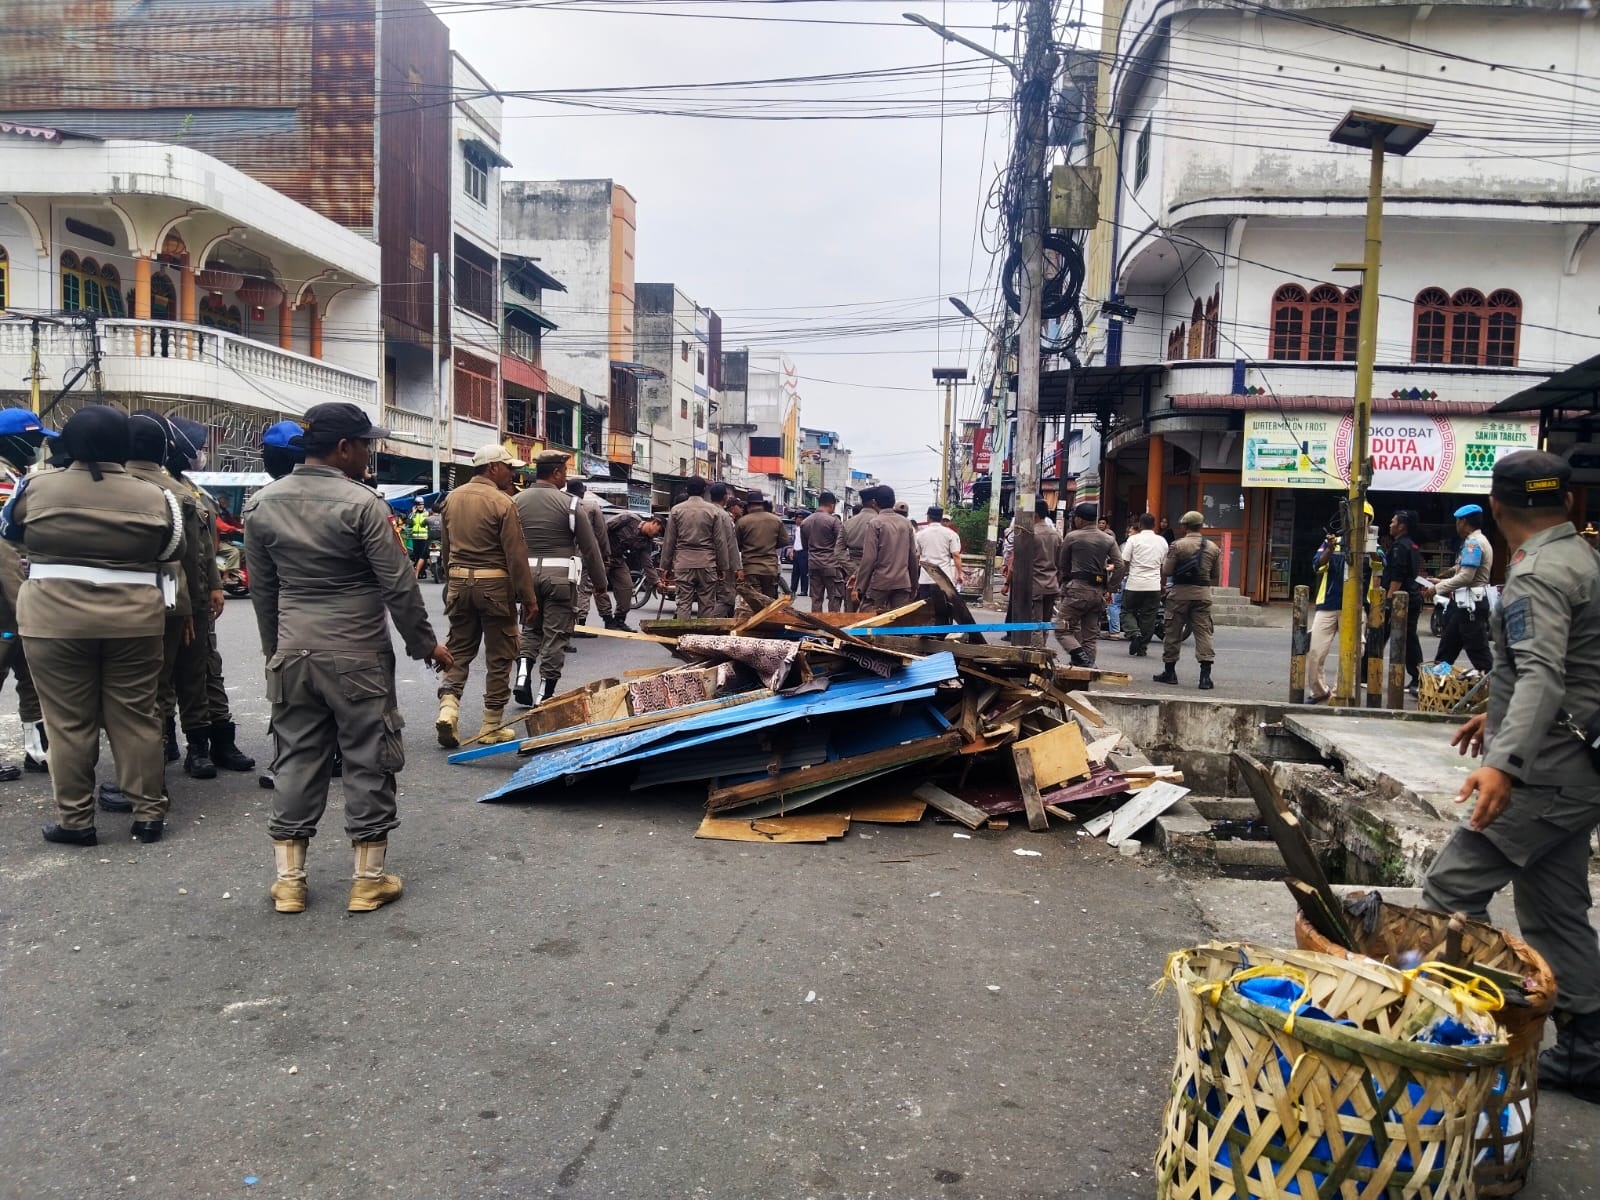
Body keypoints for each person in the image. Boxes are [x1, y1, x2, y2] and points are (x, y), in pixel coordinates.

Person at [1420, 450, 1600, 1105]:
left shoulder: (1538, 574)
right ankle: (1588, 1052)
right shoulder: (1579, 557)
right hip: (1578, 768)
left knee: (1447, 890)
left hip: (1546, 772)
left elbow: (1545, 674)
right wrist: (1492, 718)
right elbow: (1541, 666)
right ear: (1571, 503)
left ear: (1496, 509)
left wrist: (1503, 762)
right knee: (1555, 909)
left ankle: (1465, 1030)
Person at [244, 403, 450, 914]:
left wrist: (278, 653)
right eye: (365, 445)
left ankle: (290, 882)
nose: (368, 455)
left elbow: (264, 591)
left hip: (293, 653)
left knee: (295, 758)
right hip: (357, 654)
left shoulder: (261, 504)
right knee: (368, 757)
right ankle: (368, 881)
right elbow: (399, 585)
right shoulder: (362, 505)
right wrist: (425, 645)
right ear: (343, 449)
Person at [3, 406, 183, 845]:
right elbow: (168, 550)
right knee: (138, 718)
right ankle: (148, 816)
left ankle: (76, 822)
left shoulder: (35, 487)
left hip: (53, 621)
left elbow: (10, 532)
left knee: (67, 723)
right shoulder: (157, 497)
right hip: (135, 622)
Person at [97, 412, 208, 817]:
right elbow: (190, 556)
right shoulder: (174, 493)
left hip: (109, 604)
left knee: (134, 695)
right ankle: (154, 771)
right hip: (169, 601)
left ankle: (146, 778)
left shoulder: (106, 488)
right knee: (158, 689)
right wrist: (193, 606)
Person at [167, 416, 255, 778]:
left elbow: (206, 548)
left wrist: (217, 586)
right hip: (170, 598)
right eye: (198, 446)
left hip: (200, 596)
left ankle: (216, 741)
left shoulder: (191, 489)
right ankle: (176, 743)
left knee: (206, 670)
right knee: (169, 676)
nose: (202, 453)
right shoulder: (160, 490)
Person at [435, 445, 537, 748]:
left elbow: (446, 547)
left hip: (458, 583)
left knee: (459, 649)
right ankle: (491, 725)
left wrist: (450, 583)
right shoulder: (502, 502)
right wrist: (529, 599)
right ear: (492, 468)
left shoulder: (451, 499)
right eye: (508, 466)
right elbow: (516, 556)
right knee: (500, 655)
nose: (513, 472)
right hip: (494, 587)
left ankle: (448, 707)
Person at [513, 450, 607, 706]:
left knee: (531, 627)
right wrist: (600, 584)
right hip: (560, 580)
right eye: (564, 471)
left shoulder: (516, 501)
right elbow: (590, 548)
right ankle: (545, 694)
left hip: (527, 578)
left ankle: (522, 676)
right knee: (556, 635)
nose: (565, 476)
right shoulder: (570, 504)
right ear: (556, 472)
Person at [253, 420, 308, 792]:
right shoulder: (350, 495)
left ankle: (288, 762)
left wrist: (270, 640)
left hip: (288, 615)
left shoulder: (261, 504)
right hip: (347, 620)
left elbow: (262, 584)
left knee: (287, 694)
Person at [0, 408, 54, 777]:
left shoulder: (13, 476)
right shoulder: (2, 481)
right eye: (33, 440)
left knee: (32, 675)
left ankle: (37, 751)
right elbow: (5, 554)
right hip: (7, 600)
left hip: (17, 596)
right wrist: (24, 602)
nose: (37, 446)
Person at [1304, 505, 1373, 703]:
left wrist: (1370, 548)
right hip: (1328, 604)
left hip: (1356, 607)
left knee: (1353, 653)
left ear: (1369, 521)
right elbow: (1317, 564)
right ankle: (1319, 691)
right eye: (1356, 518)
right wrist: (1331, 547)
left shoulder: (1372, 546)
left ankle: (1341, 692)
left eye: (1364, 518)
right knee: (1316, 651)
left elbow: (1380, 566)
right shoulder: (1334, 542)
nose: (1359, 522)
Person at [1153, 510, 1221, 689]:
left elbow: (1167, 570)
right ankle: (1205, 677)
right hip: (1202, 594)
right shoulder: (1213, 547)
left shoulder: (1177, 545)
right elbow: (1215, 575)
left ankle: (1170, 672)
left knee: (1173, 632)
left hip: (1180, 594)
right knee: (1203, 633)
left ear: (1184, 526)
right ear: (1201, 526)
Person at [1425, 503, 1494, 674]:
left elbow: (1466, 577)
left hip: (1472, 604)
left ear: (1463, 522)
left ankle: (1494, 689)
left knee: (1478, 652)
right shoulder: (1477, 541)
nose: (1456, 525)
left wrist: (1437, 588)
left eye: (1457, 521)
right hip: (1464, 604)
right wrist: (1440, 579)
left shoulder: (1473, 543)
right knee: (1448, 646)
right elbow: (1462, 571)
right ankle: (1437, 685)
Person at [1054, 504, 1123, 668]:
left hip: (1077, 589)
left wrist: (1064, 582)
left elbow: (1062, 565)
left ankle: (1083, 661)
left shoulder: (1073, 537)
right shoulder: (1108, 539)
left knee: (1062, 629)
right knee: (1090, 636)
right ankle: (1086, 670)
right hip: (1097, 592)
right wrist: (1110, 588)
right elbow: (1120, 565)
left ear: (1079, 519)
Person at [661, 477, 730, 620]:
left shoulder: (676, 510)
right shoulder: (713, 511)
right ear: (704, 490)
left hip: (683, 563)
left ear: (686, 489)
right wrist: (723, 567)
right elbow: (720, 541)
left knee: (683, 603)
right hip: (707, 563)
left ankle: (684, 637)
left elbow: (669, 541)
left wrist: (665, 567)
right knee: (707, 604)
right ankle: (702, 638)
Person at [1380, 509, 1426, 695]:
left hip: (1401, 600)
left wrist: (1389, 601)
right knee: (1406, 638)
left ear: (1402, 526)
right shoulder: (1411, 546)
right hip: (1410, 599)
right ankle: (1416, 676)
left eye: (1393, 522)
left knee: (1398, 636)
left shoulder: (1400, 547)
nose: (1390, 525)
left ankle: (1417, 677)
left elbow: (1397, 577)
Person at [852, 485, 920, 611]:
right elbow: (912, 556)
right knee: (899, 623)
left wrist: (859, 587)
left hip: (880, 583)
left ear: (875, 503)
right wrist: (914, 585)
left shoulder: (875, 523)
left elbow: (869, 558)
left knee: (867, 619)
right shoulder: (906, 523)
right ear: (893, 502)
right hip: (902, 582)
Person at [602, 510, 663, 632]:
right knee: (600, 587)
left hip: (618, 559)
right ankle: (607, 619)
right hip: (602, 556)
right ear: (654, 523)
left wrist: (657, 582)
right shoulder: (629, 519)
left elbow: (647, 563)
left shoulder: (646, 542)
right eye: (658, 531)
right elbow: (603, 529)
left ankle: (619, 620)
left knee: (627, 588)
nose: (657, 535)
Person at [567, 478, 610, 635]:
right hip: (583, 553)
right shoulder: (591, 506)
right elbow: (601, 533)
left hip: (562, 553)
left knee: (565, 588)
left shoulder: (558, 503)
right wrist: (605, 555)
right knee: (584, 588)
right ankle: (581, 625)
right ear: (581, 491)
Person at [1122, 513, 1168, 658]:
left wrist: (1119, 579)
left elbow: (1125, 561)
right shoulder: (1162, 541)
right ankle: (1142, 648)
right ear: (1154, 525)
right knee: (1149, 616)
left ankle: (1134, 633)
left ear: (1140, 525)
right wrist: (1162, 584)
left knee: (1126, 611)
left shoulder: (1133, 539)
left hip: (1134, 583)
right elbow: (1164, 567)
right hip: (1153, 584)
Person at [735, 490, 787, 600]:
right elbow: (784, 541)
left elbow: (737, 544)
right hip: (770, 568)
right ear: (762, 505)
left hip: (751, 568)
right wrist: (770, 545)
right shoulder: (776, 520)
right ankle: (768, 618)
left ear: (748, 506)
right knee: (769, 602)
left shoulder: (742, 522)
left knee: (755, 602)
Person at [800, 492, 847, 612]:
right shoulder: (833, 521)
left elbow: (805, 546)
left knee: (816, 598)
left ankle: (816, 626)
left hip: (813, 564)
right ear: (831, 505)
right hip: (831, 565)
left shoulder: (805, 522)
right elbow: (841, 543)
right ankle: (832, 625)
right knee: (835, 597)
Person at [914, 506, 964, 603]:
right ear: (941, 518)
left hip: (926, 579)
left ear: (928, 517)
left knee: (925, 610)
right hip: (944, 578)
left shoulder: (920, 534)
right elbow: (956, 555)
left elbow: (916, 556)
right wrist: (959, 574)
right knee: (945, 609)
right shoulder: (951, 534)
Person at [1029, 501, 1062, 644]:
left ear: (1034, 514)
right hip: (1052, 584)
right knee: (1045, 623)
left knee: (1035, 622)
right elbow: (1061, 563)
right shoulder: (1056, 535)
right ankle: (1042, 648)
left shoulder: (1031, 534)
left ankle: (1037, 652)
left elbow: (1023, 562)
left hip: (1035, 584)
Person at [708, 482, 740, 617]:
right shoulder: (724, 515)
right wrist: (736, 567)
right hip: (721, 563)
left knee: (707, 597)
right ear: (725, 497)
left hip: (704, 561)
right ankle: (709, 625)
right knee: (726, 598)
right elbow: (730, 544)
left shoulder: (705, 511)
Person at [841, 496, 876, 611]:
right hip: (874, 572)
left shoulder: (848, 523)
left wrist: (853, 571)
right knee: (872, 613)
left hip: (852, 569)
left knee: (850, 613)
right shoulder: (880, 521)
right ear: (874, 503)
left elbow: (838, 551)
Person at [406, 501, 431, 580]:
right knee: (417, 555)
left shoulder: (427, 513)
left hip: (424, 538)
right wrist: (413, 512)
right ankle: (419, 572)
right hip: (415, 538)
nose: (420, 506)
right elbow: (408, 523)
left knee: (423, 556)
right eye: (418, 505)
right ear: (416, 506)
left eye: (422, 504)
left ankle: (423, 572)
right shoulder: (413, 514)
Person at [789, 513, 809, 599]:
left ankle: (804, 590)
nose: (798, 520)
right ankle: (793, 589)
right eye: (797, 518)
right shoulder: (796, 529)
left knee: (804, 572)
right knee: (795, 572)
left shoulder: (806, 529)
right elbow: (795, 541)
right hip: (796, 551)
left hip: (804, 552)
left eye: (800, 518)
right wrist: (792, 551)